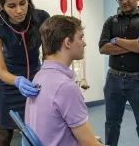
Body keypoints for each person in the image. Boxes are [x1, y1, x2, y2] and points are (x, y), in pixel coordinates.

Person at [0, 0, 50, 146]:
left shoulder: (42, 17)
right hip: (9, 84)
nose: (19, 10)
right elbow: (1, 70)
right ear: (1, 6)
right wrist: (18, 81)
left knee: (39, 129)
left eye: (23, 3)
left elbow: (48, 55)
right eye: (11, 6)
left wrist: (47, 76)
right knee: (5, 133)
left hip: (36, 82)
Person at [25, 15, 102, 146]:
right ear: (67, 42)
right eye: (81, 38)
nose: (84, 43)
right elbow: (89, 143)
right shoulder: (65, 87)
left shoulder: (39, 75)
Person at [99, 0, 139, 146]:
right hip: (114, 79)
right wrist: (134, 44)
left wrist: (116, 40)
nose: (124, 1)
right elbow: (103, 48)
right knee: (111, 123)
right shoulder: (111, 21)